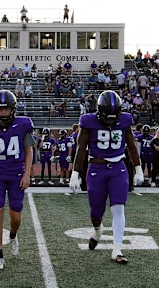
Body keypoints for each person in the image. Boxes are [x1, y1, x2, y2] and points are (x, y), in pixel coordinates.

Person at [69, 90, 144, 264]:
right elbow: (81, 149)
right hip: (96, 168)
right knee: (96, 212)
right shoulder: (89, 122)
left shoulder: (124, 120)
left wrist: (138, 168)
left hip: (118, 168)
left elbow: (132, 146)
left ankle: (117, 249)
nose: (110, 120)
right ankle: (97, 230)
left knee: (118, 207)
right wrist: (75, 173)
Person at [0, 89, 34, 270]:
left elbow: (28, 151)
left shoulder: (23, 124)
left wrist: (27, 174)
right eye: (1, 109)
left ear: (13, 109)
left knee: (16, 216)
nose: (3, 112)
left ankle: (12, 235)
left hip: (17, 175)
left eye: (6, 109)